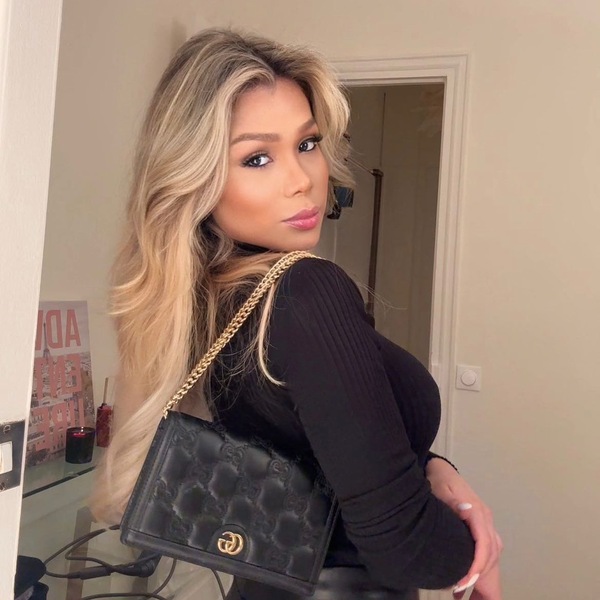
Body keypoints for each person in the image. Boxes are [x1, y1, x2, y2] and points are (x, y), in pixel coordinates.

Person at [91, 28, 502, 600]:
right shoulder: (305, 292)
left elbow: (313, 439)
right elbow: (404, 547)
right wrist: (478, 549)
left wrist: (434, 469)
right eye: (257, 158)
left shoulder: (210, 302)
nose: (302, 180)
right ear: (195, 178)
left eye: (307, 144)